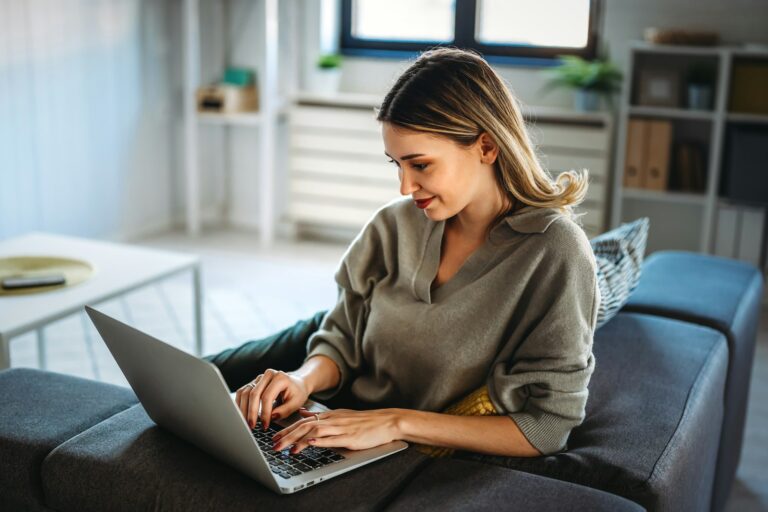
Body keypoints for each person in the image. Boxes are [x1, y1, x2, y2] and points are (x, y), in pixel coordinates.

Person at [203, 47, 600, 459]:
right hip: (329, 431)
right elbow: (341, 337)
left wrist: (395, 422)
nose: (404, 187)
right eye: (397, 165)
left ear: (486, 147)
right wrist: (303, 380)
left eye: (421, 166)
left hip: (399, 459)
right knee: (189, 397)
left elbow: (548, 426)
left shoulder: (554, 253)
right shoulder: (393, 225)